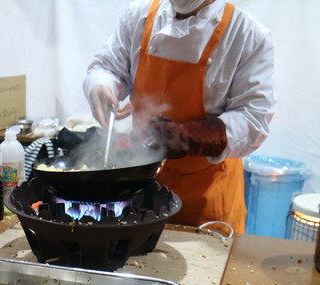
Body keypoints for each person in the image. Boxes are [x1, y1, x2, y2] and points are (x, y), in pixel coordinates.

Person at [83, 0, 275, 233]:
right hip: (141, 183)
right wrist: (101, 85)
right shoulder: (140, 16)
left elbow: (253, 119)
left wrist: (186, 136)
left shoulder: (247, 34)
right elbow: (108, 67)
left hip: (208, 195)